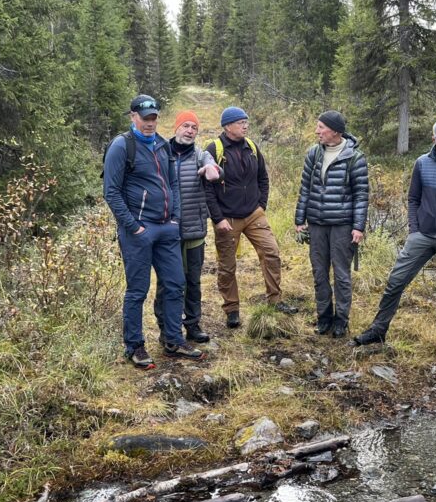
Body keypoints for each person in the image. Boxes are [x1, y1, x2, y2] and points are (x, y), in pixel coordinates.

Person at [352, 117, 436, 356]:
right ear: (434, 140)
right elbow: (413, 198)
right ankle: (378, 330)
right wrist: (414, 229)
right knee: (396, 281)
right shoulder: (422, 164)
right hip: (421, 237)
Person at [102, 94, 207, 369]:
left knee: (175, 284)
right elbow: (111, 192)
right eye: (145, 118)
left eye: (154, 118)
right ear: (133, 117)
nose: (150, 123)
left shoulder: (162, 145)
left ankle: (173, 340)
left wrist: (175, 218)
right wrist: (134, 227)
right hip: (138, 231)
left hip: (166, 230)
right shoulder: (121, 146)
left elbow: (172, 184)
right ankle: (134, 346)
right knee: (138, 290)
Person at [204, 106, 298, 328]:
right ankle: (232, 310)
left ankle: (275, 300)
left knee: (271, 252)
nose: (245, 125)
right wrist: (218, 219)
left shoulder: (252, 147)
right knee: (227, 266)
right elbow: (207, 190)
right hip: (227, 219)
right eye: (240, 122)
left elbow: (263, 177)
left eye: (246, 122)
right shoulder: (214, 149)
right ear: (228, 126)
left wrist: (261, 206)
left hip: (254, 215)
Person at [294, 110, 369, 338]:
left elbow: (361, 195)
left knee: (341, 275)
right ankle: (324, 317)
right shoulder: (313, 154)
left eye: (321, 127)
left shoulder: (355, 158)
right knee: (319, 273)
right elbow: (305, 188)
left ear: (335, 131)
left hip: (342, 226)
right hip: (316, 223)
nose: (317, 131)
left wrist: (358, 227)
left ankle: (341, 320)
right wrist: (300, 219)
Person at [153, 110, 219, 345]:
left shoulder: (200, 155)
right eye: (186, 126)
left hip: (193, 230)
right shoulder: (161, 153)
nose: (190, 131)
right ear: (176, 128)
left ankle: (192, 325)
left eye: (194, 128)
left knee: (193, 280)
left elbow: (211, 166)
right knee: (167, 282)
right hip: (166, 231)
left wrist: (212, 170)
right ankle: (165, 329)